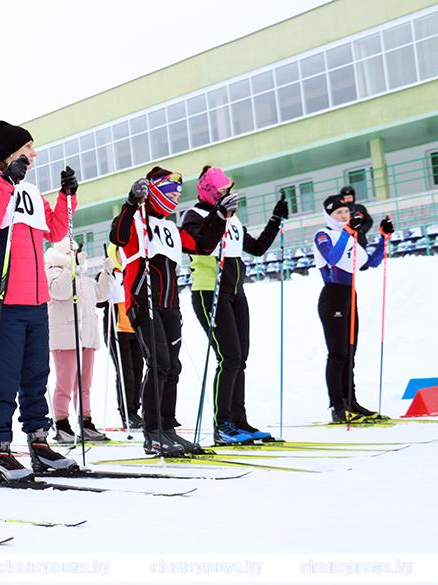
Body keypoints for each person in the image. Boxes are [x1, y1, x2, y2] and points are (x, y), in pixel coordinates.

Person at [0, 118, 79, 483]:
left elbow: (56, 231)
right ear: (12, 153)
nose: (35, 153)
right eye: (29, 147)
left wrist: (66, 197)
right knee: (4, 376)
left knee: (35, 375)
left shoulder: (30, 189)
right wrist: (5, 182)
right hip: (2, 299)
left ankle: (39, 442)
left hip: (35, 300)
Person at [181, 166, 288, 445]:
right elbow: (201, 244)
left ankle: (239, 420)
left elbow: (256, 248)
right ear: (208, 192)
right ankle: (223, 424)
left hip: (235, 292)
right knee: (228, 357)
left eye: (228, 190)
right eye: (222, 191)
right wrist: (218, 218)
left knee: (240, 358)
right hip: (209, 290)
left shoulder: (234, 219)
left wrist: (275, 220)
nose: (227, 195)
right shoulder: (194, 216)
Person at [110, 168, 205, 456]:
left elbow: (203, 245)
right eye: (171, 192)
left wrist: (218, 217)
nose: (176, 198)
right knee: (159, 363)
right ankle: (152, 433)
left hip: (169, 305)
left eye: (179, 194)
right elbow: (118, 235)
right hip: (143, 300)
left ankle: (167, 428)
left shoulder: (170, 227)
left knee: (172, 367)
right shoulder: (137, 219)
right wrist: (130, 202)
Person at [313, 194, 393, 423]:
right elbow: (333, 258)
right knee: (337, 353)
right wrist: (348, 232)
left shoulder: (349, 236)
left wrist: (384, 238)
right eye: (338, 213)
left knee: (350, 353)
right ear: (329, 215)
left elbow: (370, 262)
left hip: (350, 296)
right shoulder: (323, 235)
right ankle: (337, 407)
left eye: (346, 212)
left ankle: (351, 401)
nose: (344, 215)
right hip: (332, 296)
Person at [45, 239, 114, 442]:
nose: (77, 254)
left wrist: (106, 274)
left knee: (84, 384)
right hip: (66, 338)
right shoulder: (53, 272)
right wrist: (71, 267)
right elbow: (61, 291)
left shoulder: (82, 277)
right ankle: (61, 423)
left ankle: (85, 421)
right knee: (65, 383)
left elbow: (101, 295)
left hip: (86, 337)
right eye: (73, 251)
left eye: (78, 251)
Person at [100, 244, 144, 430]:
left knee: (138, 370)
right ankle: (127, 413)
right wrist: (105, 276)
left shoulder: (132, 272)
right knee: (126, 373)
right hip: (117, 331)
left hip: (136, 329)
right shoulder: (109, 274)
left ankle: (136, 409)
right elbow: (100, 301)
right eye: (120, 251)